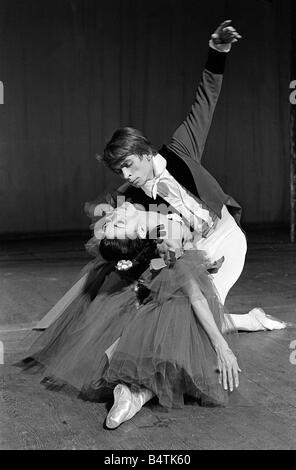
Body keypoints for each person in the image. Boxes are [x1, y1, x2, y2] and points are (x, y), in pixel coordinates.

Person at [18, 202, 241, 430]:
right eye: (119, 222)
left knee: (171, 311)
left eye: (115, 221)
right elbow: (190, 292)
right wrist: (221, 346)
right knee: (144, 308)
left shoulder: (158, 233)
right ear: (141, 235)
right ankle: (133, 391)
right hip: (167, 264)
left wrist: (220, 345)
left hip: (189, 259)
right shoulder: (164, 237)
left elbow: (188, 287)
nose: (118, 214)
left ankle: (136, 392)